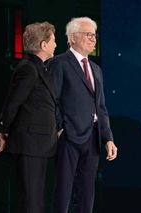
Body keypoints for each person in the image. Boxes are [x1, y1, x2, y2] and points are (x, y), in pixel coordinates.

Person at [47, 17, 118, 213]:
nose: (93, 39)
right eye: (88, 35)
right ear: (73, 37)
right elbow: (52, 100)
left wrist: (108, 138)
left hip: (93, 137)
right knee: (63, 190)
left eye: (94, 35)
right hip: (69, 136)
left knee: (87, 193)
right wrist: (61, 128)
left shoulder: (96, 69)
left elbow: (101, 107)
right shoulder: (59, 63)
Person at [0, 21, 57, 213]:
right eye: (53, 41)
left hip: (38, 145)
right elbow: (13, 103)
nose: (56, 44)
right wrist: (2, 130)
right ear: (43, 45)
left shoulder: (39, 68)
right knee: (31, 202)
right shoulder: (29, 69)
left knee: (36, 201)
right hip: (30, 144)